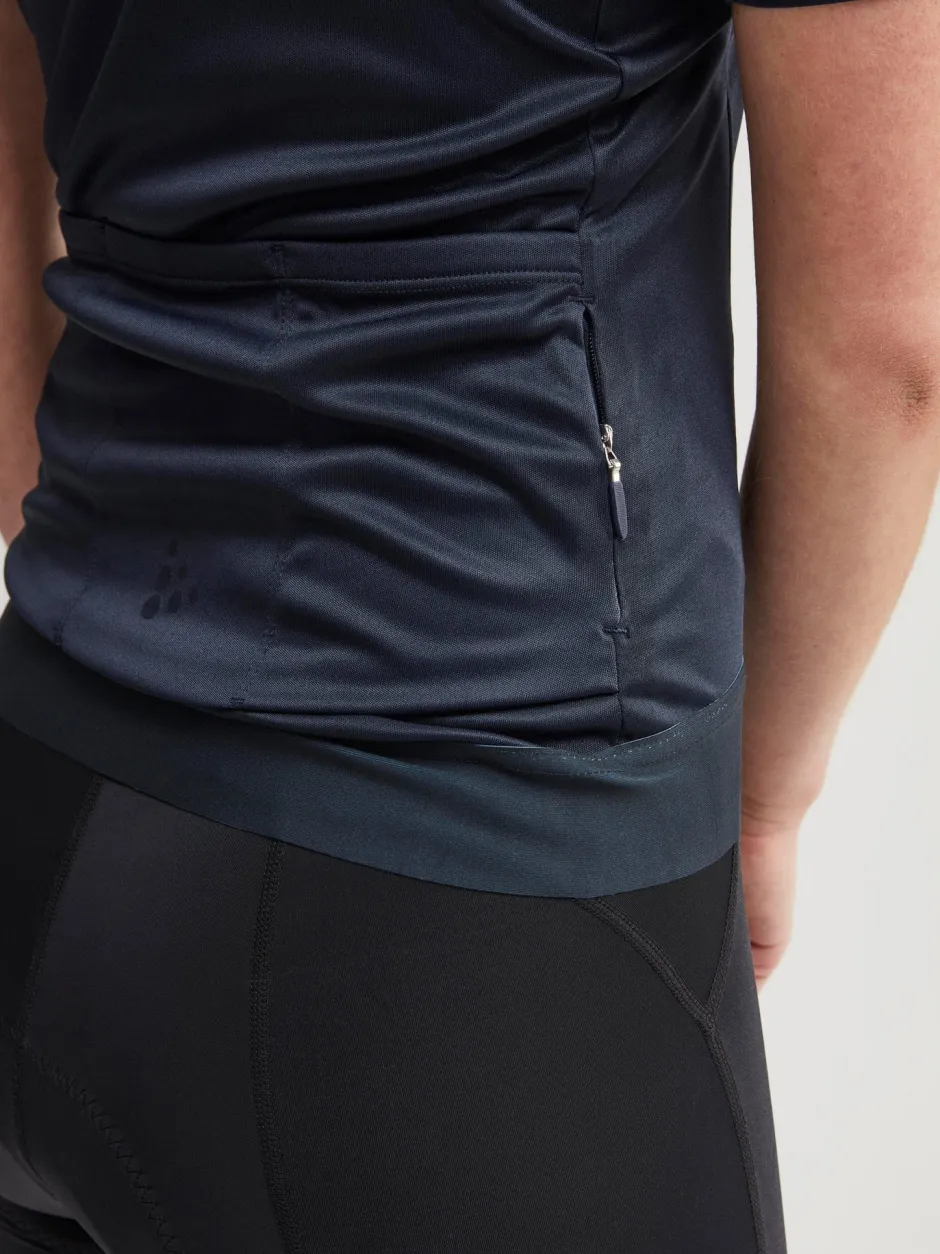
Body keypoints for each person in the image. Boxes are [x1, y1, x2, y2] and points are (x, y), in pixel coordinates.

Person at [1, 0, 938, 1248]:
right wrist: (761, 796)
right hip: (466, 905)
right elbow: (889, 355)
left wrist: (121, 565)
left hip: (48, 795)